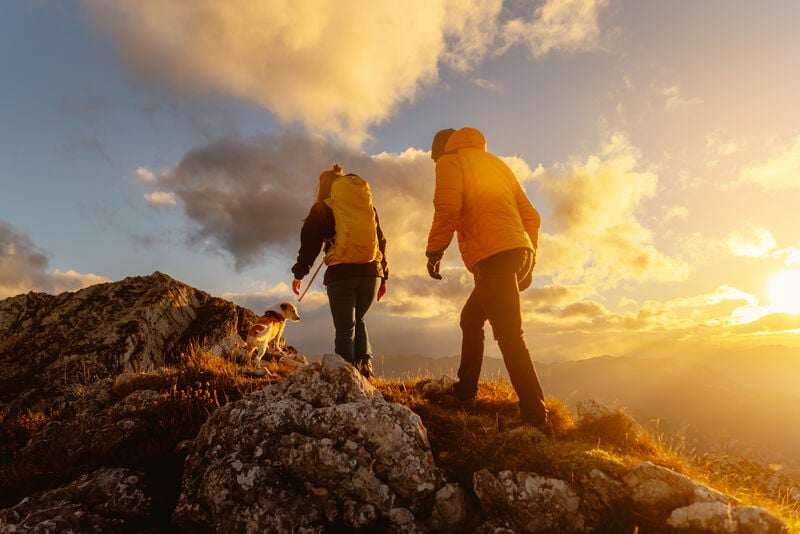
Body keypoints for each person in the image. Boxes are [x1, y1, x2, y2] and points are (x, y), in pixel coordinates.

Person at [425, 127, 548, 428]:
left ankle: (535, 418)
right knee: (471, 318)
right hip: (516, 252)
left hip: (495, 258)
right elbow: (531, 216)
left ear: (440, 150)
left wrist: (434, 251)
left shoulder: (450, 161)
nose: (434, 164)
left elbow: (448, 207)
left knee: (509, 335)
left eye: (433, 158)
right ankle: (465, 392)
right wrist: (528, 258)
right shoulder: (495, 162)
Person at [291, 164, 388, 379]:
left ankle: (346, 376)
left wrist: (300, 273)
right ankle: (366, 369)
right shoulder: (367, 207)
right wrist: (384, 277)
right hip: (372, 273)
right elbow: (380, 241)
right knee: (360, 319)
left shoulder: (322, 207)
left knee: (345, 326)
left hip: (342, 274)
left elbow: (310, 245)